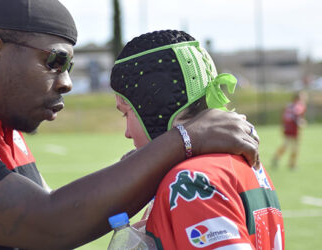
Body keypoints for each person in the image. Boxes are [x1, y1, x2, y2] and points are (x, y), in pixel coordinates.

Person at [0, 1, 259, 249]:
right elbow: (48, 224)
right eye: (55, 61)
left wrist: (141, 168)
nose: (67, 82)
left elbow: (46, 207)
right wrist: (185, 138)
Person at [111, 30, 284, 249]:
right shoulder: (240, 162)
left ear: (153, 109)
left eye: (126, 113)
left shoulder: (191, 180)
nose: (126, 132)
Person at [272, 91, 307, 170]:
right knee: (293, 147)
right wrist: (301, 122)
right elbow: (296, 117)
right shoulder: (299, 106)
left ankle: (281, 160)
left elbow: (284, 116)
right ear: (298, 98)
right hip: (293, 129)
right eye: (303, 97)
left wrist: (282, 126)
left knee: (288, 146)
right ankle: (291, 164)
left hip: (288, 128)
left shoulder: (288, 106)